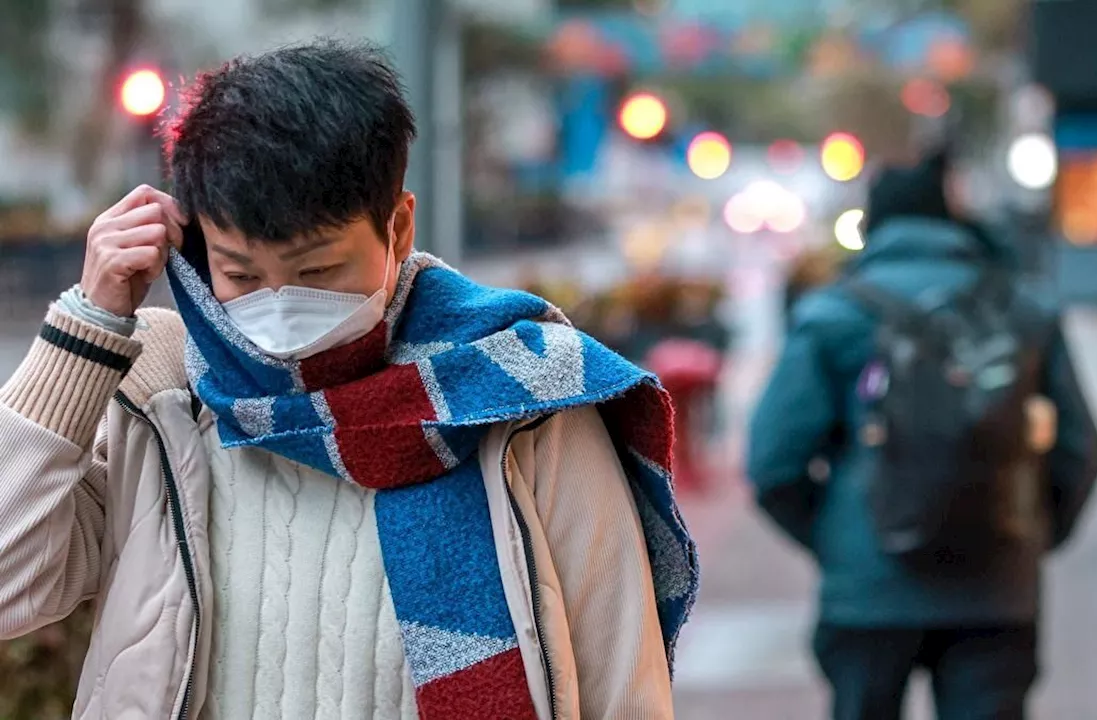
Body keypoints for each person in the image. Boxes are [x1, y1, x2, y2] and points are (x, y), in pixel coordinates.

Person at [0, 41, 696, 720]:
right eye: (240, 274)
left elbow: (621, 685)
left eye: (317, 272)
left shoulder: (520, 397)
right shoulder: (162, 394)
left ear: (396, 228)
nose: (277, 305)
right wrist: (86, 328)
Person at [747, 151, 1097, 720]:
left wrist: (839, 539)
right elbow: (1080, 451)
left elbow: (772, 464)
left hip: (867, 592)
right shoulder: (1025, 309)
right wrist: (1030, 530)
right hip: (996, 586)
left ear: (874, 222)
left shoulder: (834, 314)